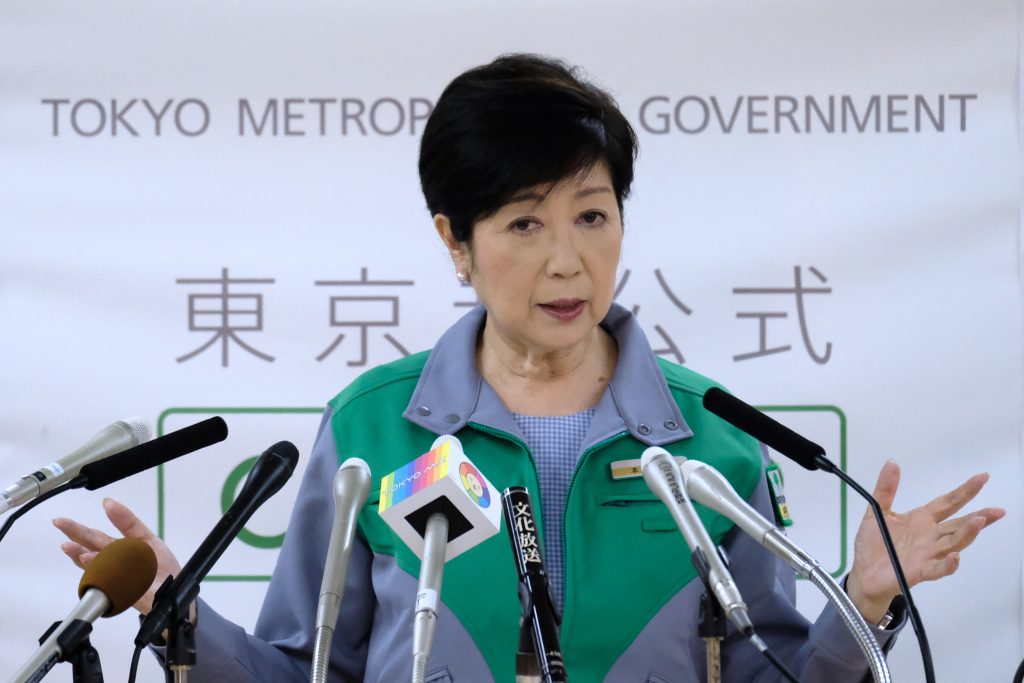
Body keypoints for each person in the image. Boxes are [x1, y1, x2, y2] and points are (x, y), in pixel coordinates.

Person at [53, 54, 1004, 682]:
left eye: (593, 215)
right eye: (524, 223)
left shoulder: (709, 437)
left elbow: (776, 674)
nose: (567, 259)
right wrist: (181, 617)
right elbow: (305, 671)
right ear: (454, 241)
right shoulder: (375, 429)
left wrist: (862, 596)